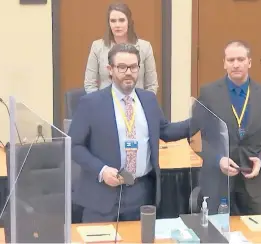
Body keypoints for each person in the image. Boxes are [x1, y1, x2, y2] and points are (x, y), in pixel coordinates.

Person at [69, 43, 188, 222]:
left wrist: (199, 121)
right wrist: (101, 170)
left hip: (140, 193)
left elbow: (165, 131)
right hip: (102, 196)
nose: (128, 72)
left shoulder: (148, 100)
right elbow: (74, 145)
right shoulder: (90, 103)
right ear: (110, 69)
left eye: (133, 67)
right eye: (122, 67)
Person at [195, 40, 261, 215]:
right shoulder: (208, 93)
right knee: (216, 233)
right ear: (224, 63)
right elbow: (197, 137)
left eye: (241, 59)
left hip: (253, 176)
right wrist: (218, 159)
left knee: (256, 233)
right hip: (219, 176)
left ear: (249, 62)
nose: (236, 64)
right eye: (230, 60)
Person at [84, 2, 158, 94]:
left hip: (136, 104)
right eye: (113, 21)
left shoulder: (145, 47)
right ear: (109, 23)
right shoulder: (97, 47)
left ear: (129, 22)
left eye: (122, 20)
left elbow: (151, 86)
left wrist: (142, 105)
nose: (117, 25)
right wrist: (100, 105)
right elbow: (90, 84)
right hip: (106, 104)